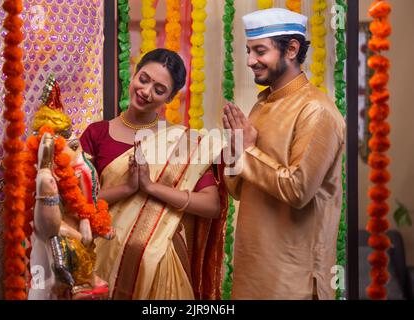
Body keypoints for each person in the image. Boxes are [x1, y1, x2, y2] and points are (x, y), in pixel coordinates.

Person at [80, 48, 227, 300]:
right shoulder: (96, 134)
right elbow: (80, 203)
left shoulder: (183, 143)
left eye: (159, 90)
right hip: (102, 256)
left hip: (160, 262)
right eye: (144, 79)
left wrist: (150, 187)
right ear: (134, 74)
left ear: (170, 98)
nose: (146, 92)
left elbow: (212, 205)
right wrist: (126, 188)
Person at [222, 8, 346, 300]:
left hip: (293, 280)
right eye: (249, 51)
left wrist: (248, 150)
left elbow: (298, 190)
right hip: (253, 270)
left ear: (291, 49)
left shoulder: (316, 110)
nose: (251, 61)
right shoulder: (262, 105)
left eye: (260, 51)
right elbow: (238, 189)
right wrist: (233, 149)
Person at [27, 75, 113, 300]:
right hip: (52, 231)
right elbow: (50, 226)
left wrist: (88, 221)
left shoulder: (78, 161)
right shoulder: (45, 172)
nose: (74, 150)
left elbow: (86, 202)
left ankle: (83, 280)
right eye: (65, 145)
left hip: (76, 216)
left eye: (73, 144)